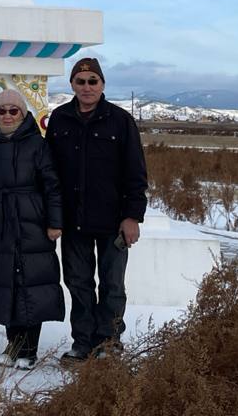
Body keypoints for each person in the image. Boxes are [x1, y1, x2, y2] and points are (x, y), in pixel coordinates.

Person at [45, 56, 147, 361]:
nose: (87, 87)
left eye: (93, 81)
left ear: (102, 84)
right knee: (79, 283)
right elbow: (49, 172)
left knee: (112, 284)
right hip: (74, 219)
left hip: (113, 220)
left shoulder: (120, 120)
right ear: (72, 84)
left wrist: (132, 216)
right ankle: (83, 341)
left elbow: (136, 173)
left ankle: (109, 342)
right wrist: (52, 216)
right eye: (81, 81)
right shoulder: (60, 119)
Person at [0, 88, 65, 369]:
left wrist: (54, 221)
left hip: (32, 221)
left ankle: (29, 349)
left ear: (23, 114)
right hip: (0, 223)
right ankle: (13, 344)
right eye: (1, 111)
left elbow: (52, 184)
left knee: (32, 283)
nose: (7, 116)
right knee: (5, 284)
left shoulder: (38, 145)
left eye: (13, 110)